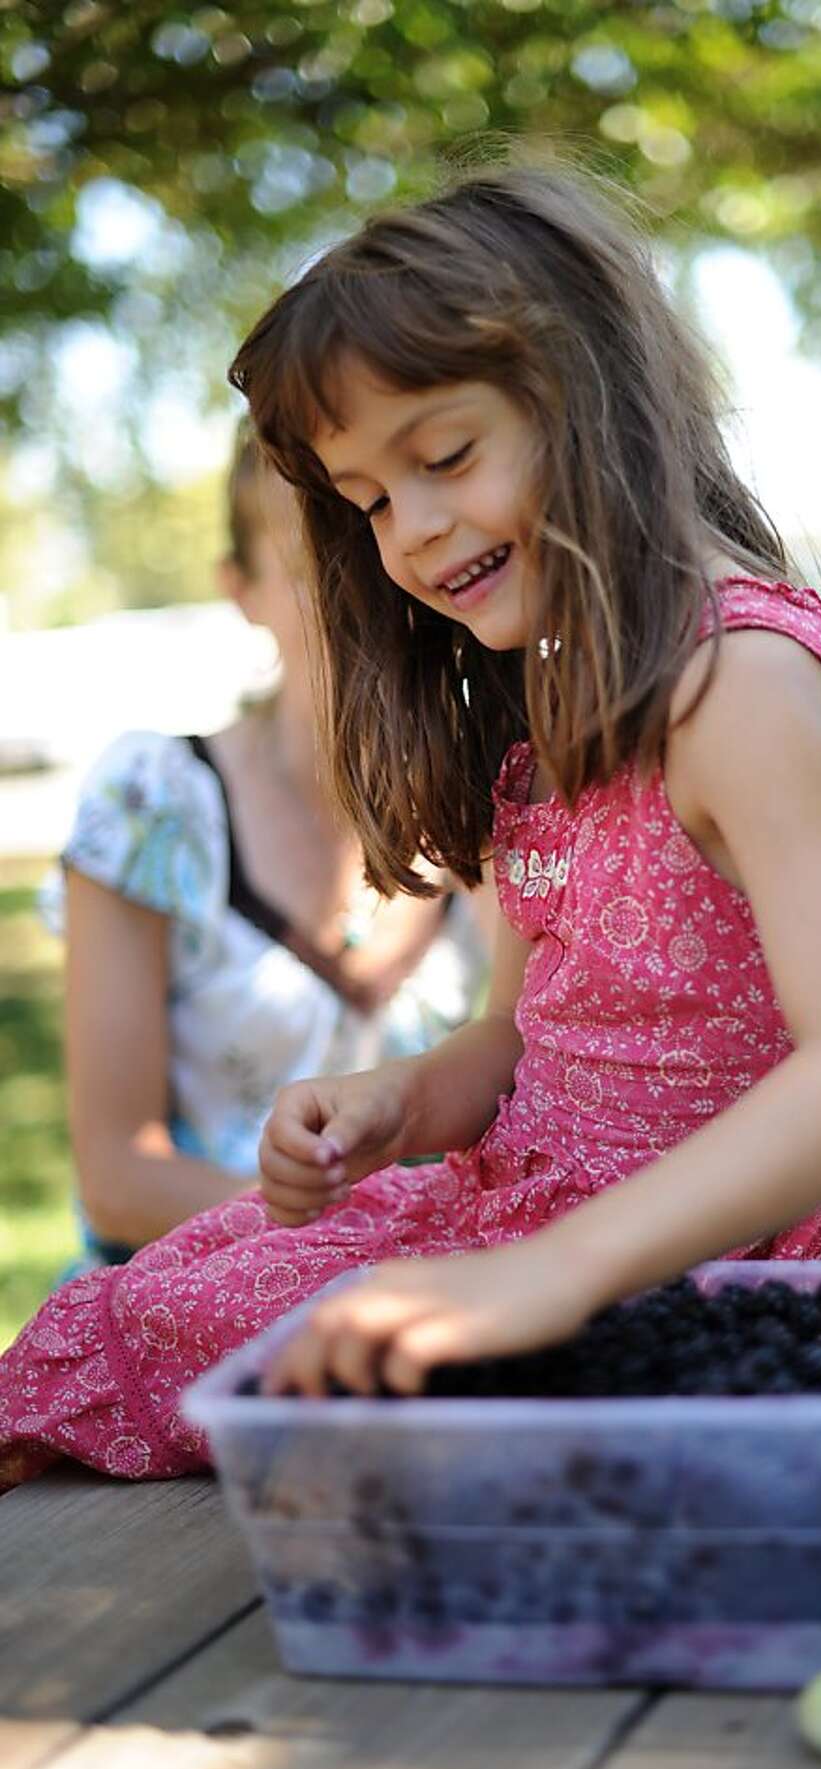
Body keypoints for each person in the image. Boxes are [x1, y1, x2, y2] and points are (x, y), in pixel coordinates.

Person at [0, 162, 821, 1491]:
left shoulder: (739, 686)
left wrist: (548, 1276)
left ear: (589, 395)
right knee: (150, 1299)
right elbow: (518, 1032)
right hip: (534, 1220)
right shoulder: (564, 693)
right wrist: (404, 1100)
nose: (416, 532)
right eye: (373, 502)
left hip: (703, 1272)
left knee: (238, 1345)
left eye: (444, 458)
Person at [40, 429, 491, 1274]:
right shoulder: (156, 802)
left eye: (378, 526)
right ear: (240, 589)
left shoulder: (502, 793)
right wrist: (370, 1243)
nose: (372, 574)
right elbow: (118, 1176)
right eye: (320, 554)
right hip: (205, 1298)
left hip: (449, 1300)